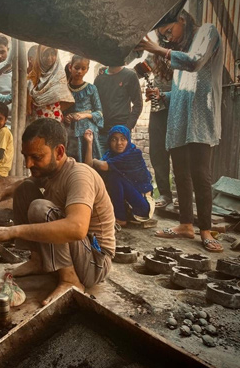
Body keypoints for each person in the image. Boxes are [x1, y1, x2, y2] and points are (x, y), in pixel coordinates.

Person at [0, 118, 114, 305]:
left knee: (40, 208)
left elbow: (77, 229)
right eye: (25, 156)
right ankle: (38, 261)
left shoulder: (79, 175)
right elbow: (23, 184)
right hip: (79, 254)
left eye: (36, 157)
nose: (28, 164)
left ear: (59, 152)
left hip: (95, 263)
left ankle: (70, 280)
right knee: (24, 188)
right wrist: (1, 194)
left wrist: (12, 231)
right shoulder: (51, 172)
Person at [136, 10, 223, 252]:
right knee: (181, 174)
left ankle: (205, 229)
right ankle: (186, 224)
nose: (169, 39)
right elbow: (182, 91)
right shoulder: (180, 52)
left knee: (200, 174)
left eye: (168, 32)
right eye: (164, 37)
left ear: (182, 20)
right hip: (178, 118)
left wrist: (156, 49)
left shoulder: (207, 32)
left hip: (200, 117)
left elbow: (194, 62)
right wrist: (162, 96)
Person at [84, 126, 155, 227]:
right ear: (109, 141)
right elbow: (89, 168)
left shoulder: (133, 154)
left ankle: (120, 218)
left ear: (128, 140)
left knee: (114, 176)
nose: (119, 143)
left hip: (141, 206)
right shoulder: (109, 155)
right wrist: (89, 143)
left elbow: (103, 166)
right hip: (126, 204)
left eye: (123, 139)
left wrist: (94, 161)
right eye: (114, 139)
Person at [63, 55, 104, 162]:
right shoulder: (64, 89)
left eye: (83, 68)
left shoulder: (91, 89)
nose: (79, 71)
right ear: (70, 67)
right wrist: (65, 117)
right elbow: (61, 110)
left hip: (87, 131)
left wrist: (84, 115)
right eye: (76, 68)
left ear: (87, 69)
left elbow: (99, 113)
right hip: (70, 131)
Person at [146, 49, 173, 208]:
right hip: (157, 110)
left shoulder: (183, 54)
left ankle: (184, 196)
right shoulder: (153, 55)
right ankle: (164, 194)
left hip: (177, 109)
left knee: (180, 154)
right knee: (157, 153)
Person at [94, 65, 143, 151]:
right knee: (100, 163)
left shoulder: (130, 76)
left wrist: (127, 128)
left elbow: (138, 104)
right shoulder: (100, 78)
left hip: (121, 132)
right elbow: (94, 103)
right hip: (102, 132)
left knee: (121, 163)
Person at [27, 45, 74, 123]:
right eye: (46, 54)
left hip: (55, 119)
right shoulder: (32, 76)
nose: (49, 58)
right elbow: (27, 102)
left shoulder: (59, 75)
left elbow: (64, 98)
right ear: (40, 56)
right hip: (36, 120)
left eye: (53, 54)